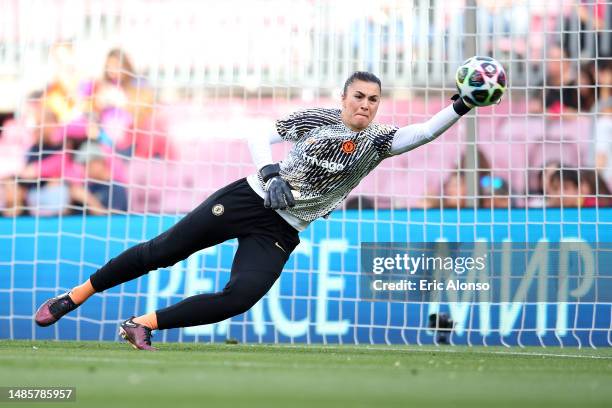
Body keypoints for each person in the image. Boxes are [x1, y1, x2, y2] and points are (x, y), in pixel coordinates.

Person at [34, 71, 479, 350]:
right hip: (251, 197)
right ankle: (74, 296)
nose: (365, 105)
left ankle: (140, 324)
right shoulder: (316, 119)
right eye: (359, 96)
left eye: (373, 100)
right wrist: (272, 174)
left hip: (283, 227)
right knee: (163, 250)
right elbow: (256, 135)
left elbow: (422, 133)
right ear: (344, 98)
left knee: (241, 297)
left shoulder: (378, 140)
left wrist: (461, 104)